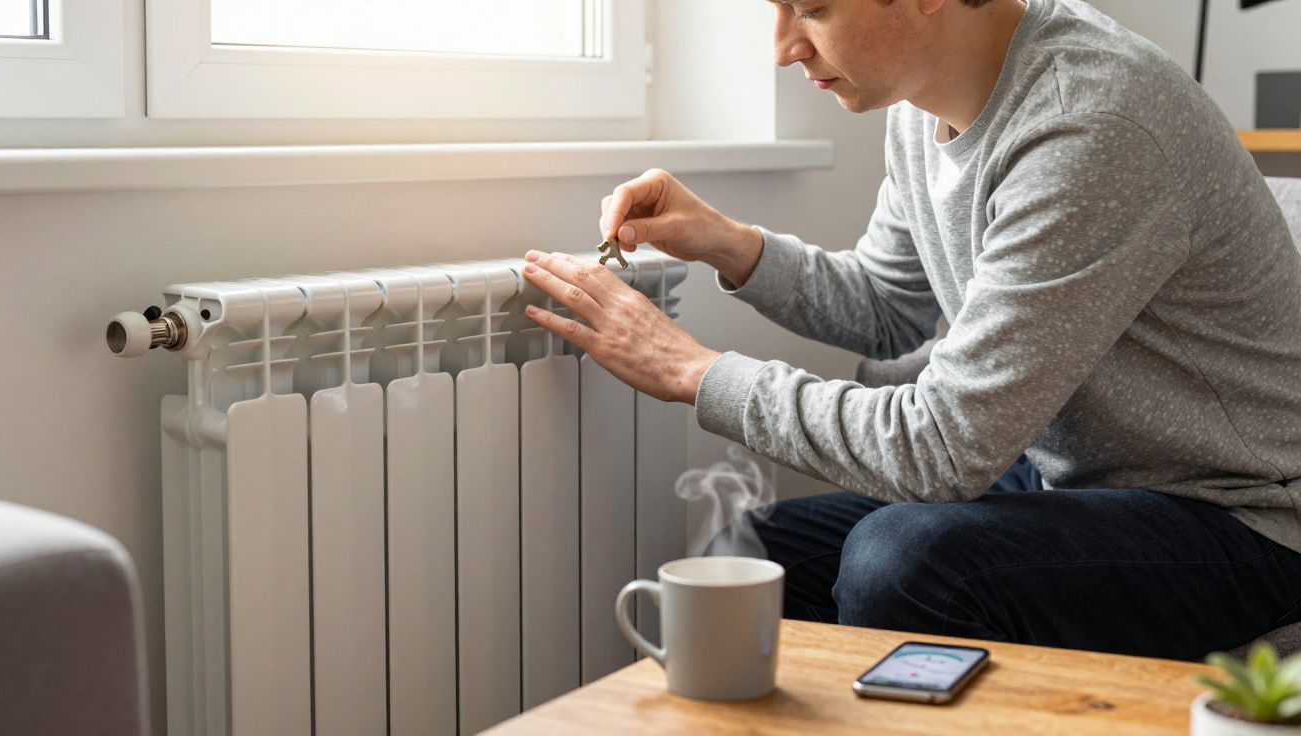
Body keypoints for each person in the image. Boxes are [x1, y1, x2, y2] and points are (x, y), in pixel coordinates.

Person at [518, 0, 1301, 661]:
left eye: (813, 8)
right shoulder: (923, 104)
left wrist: (691, 370)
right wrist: (730, 241)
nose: (784, 47)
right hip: (1069, 476)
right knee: (755, 558)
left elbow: (943, 450)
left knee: (902, 564)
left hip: (1241, 515)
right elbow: (889, 306)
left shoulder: (1089, 124)